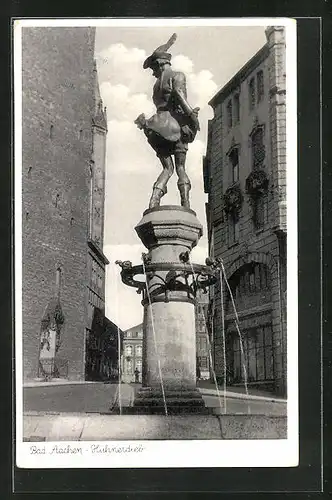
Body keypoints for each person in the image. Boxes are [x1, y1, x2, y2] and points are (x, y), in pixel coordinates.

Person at [135, 33, 200, 209]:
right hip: (174, 127)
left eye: (154, 69)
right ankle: (186, 204)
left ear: (159, 65)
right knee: (180, 168)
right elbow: (179, 95)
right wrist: (193, 117)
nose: (154, 73)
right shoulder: (177, 76)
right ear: (165, 62)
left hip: (155, 128)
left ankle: (154, 199)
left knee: (166, 168)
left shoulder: (157, 85)